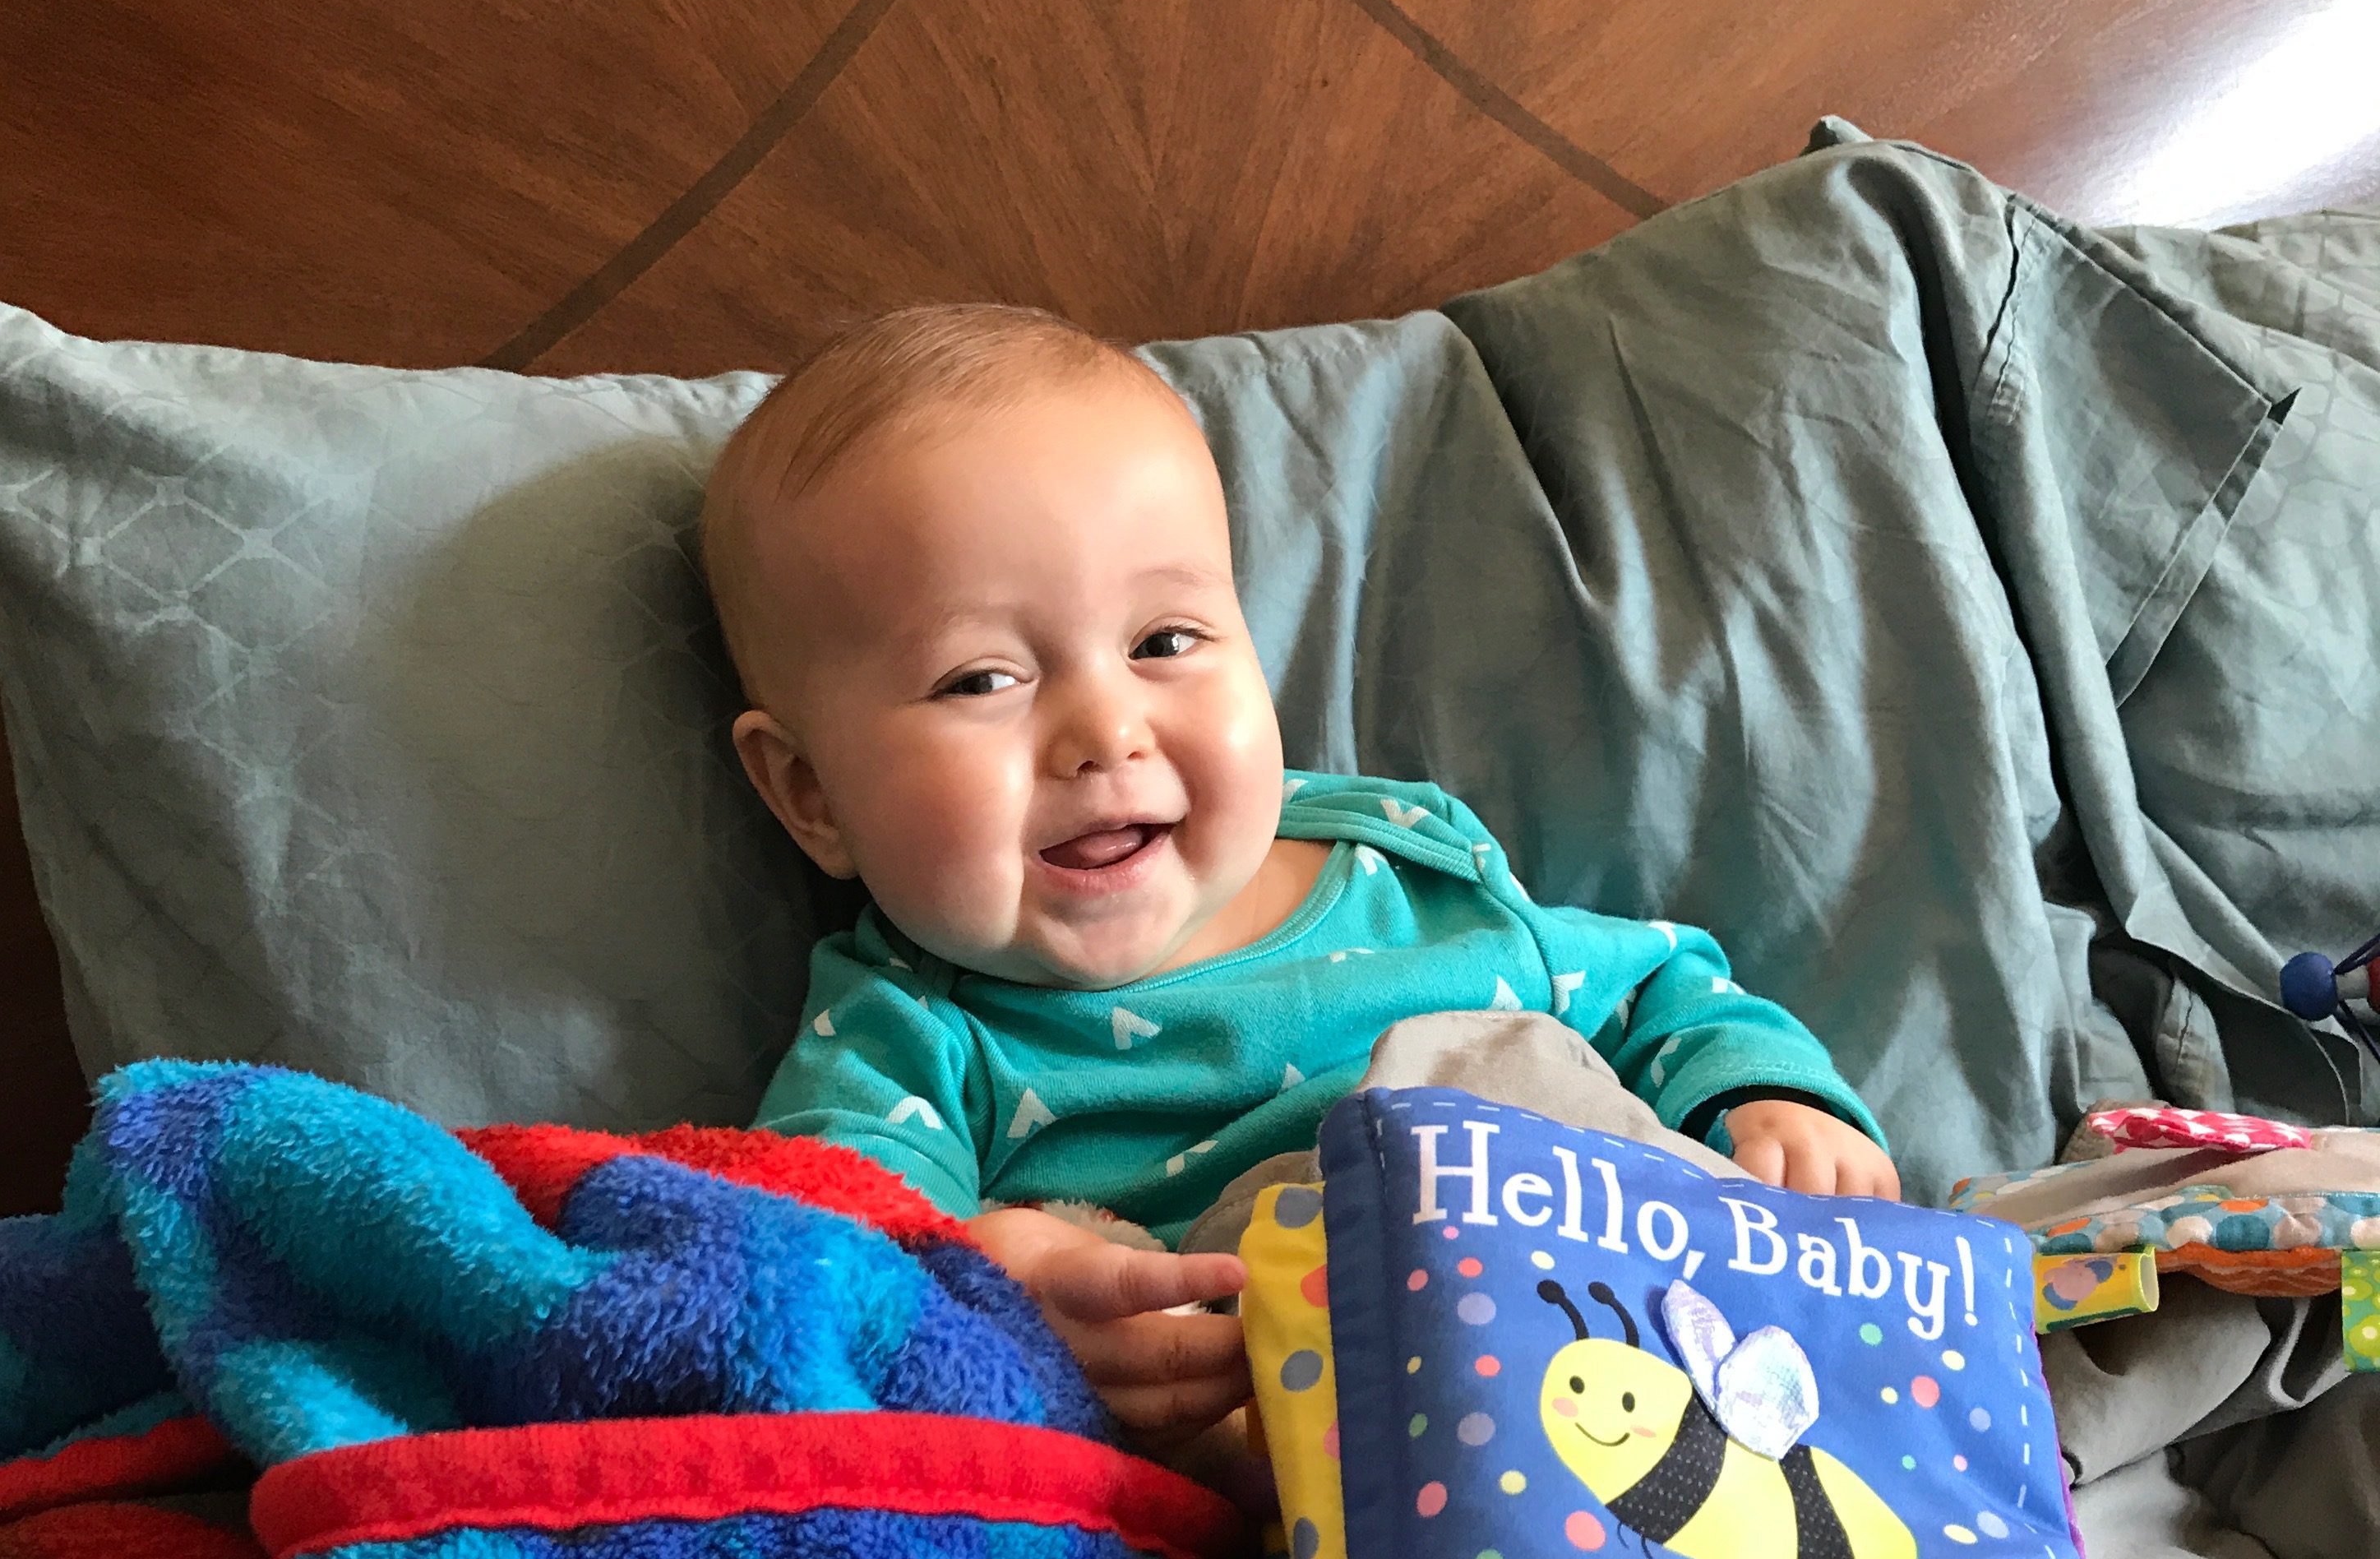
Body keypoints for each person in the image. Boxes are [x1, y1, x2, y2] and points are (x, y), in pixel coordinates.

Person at [706, 305, 1896, 1453]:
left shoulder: (1407, 873)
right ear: (812, 794)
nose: (1104, 732)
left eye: (1164, 643)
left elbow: (1651, 991)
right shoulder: (907, 1034)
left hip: (1650, 1374)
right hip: (1327, 1484)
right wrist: (1002, 1277)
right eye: (981, 680)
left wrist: (1768, 1104)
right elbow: (812, 1263)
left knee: (1525, 1076)